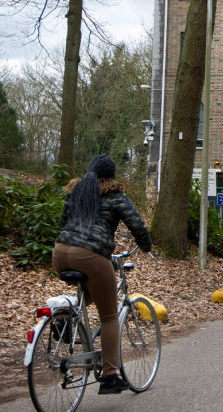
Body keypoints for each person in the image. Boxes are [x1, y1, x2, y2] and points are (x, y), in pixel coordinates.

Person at [52, 155, 152, 395]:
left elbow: (64, 222)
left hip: (59, 253)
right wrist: (147, 246)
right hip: (90, 255)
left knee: (91, 289)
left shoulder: (74, 192)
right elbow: (136, 225)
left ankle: (64, 316)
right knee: (108, 316)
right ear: (111, 176)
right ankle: (109, 376)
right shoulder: (115, 195)